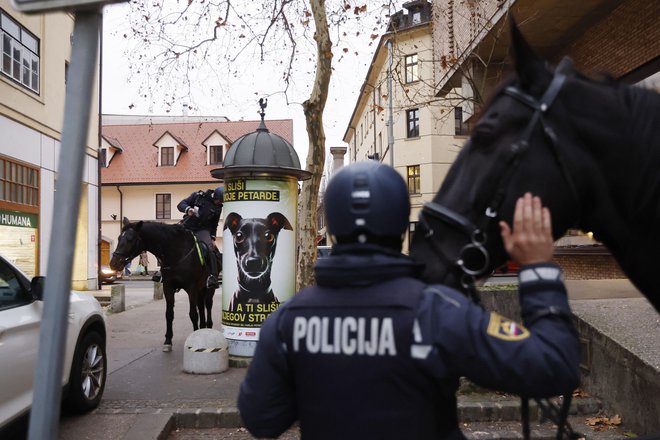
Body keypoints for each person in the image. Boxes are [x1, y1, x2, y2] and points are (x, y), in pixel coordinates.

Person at [238, 161, 580, 439]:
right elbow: (554, 367)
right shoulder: (439, 311)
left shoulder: (289, 320)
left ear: (334, 229)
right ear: (403, 225)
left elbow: (261, 419)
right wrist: (538, 269)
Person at [177, 186, 224, 289]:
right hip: (187, 226)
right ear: (214, 197)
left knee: (210, 248)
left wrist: (212, 237)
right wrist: (188, 209)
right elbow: (180, 205)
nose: (220, 204)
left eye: (221, 202)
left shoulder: (218, 207)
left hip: (203, 230)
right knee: (172, 243)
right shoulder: (197, 196)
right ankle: (162, 273)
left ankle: (213, 277)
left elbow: (214, 224)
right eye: (219, 201)